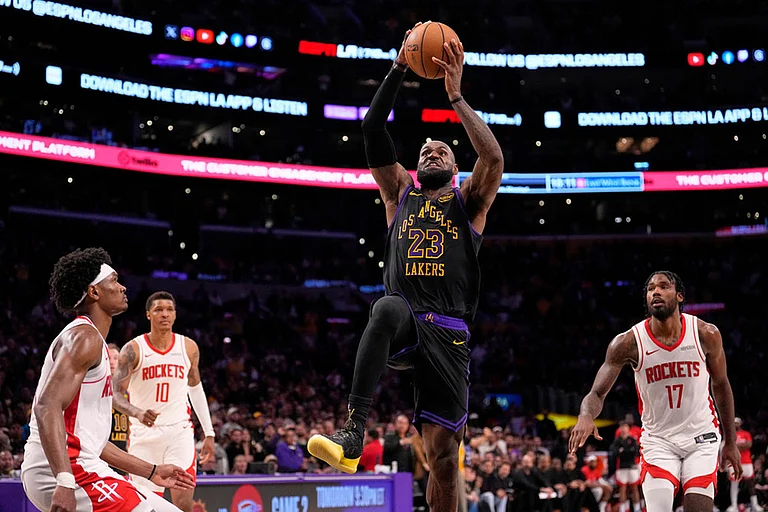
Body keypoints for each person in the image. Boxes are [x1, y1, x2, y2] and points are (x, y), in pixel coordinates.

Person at [307, 22, 503, 512]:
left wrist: (456, 98)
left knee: (443, 456)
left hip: (450, 331)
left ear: (455, 169)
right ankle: (353, 432)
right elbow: (373, 129)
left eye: (442, 150)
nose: (432, 150)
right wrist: (399, 66)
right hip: (407, 321)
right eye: (424, 151)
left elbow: (494, 156)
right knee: (386, 307)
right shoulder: (399, 193)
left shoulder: (469, 200)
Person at [20, 248, 194, 512]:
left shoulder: (91, 341)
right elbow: (46, 406)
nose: (122, 287)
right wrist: (65, 481)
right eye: (113, 281)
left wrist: (152, 471)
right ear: (94, 292)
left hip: (77, 466)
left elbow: (91, 441)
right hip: (65, 471)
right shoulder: (84, 338)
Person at [570, 271, 742, 512]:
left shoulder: (705, 334)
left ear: (680, 296)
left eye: (664, 286)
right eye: (651, 289)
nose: (656, 292)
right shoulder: (628, 342)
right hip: (659, 441)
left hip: (701, 436)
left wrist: (730, 441)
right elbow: (597, 393)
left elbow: (721, 385)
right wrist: (586, 415)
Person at [112, 291, 216, 512]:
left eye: (169, 310)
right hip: (143, 437)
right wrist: (137, 412)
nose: (164, 314)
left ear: (175, 315)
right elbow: (115, 394)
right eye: (158, 310)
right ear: (148, 314)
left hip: (178, 432)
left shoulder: (188, 347)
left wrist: (209, 433)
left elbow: (195, 389)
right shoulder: (133, 349)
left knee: (184, 503)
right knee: (145, 505)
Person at [727, 417, 763, 512]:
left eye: (737, 423)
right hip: (734, 462)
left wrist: (735, 446)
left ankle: (755, 505)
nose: (735, 425)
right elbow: (729, 447)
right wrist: (740, 446)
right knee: (734, 484)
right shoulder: (730, 435)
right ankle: (733, 506)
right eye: (734, 423)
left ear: (740, 424)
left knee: (750, 483)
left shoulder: (746, 434)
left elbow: (748, 445)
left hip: (747, 462)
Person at [108, 343, 130, 476]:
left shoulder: (128, 387)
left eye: (115, 358)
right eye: (108, 358)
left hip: (123, 450)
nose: (111, 362)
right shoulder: (95, 386)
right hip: (102, 450)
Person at [611, 422, 642, 512]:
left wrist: (623, 451)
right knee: (622, 489)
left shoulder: (632, 440)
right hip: (621, 468)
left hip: (632, 467)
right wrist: (627, 451)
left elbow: (635, 453)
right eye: (622, 427)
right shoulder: (617, 441)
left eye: (625, 427)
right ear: (620, 429)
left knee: (635, 488)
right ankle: (623, 509)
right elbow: (615, 453)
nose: (624, 429)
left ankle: (637, 509)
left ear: (628, 429)